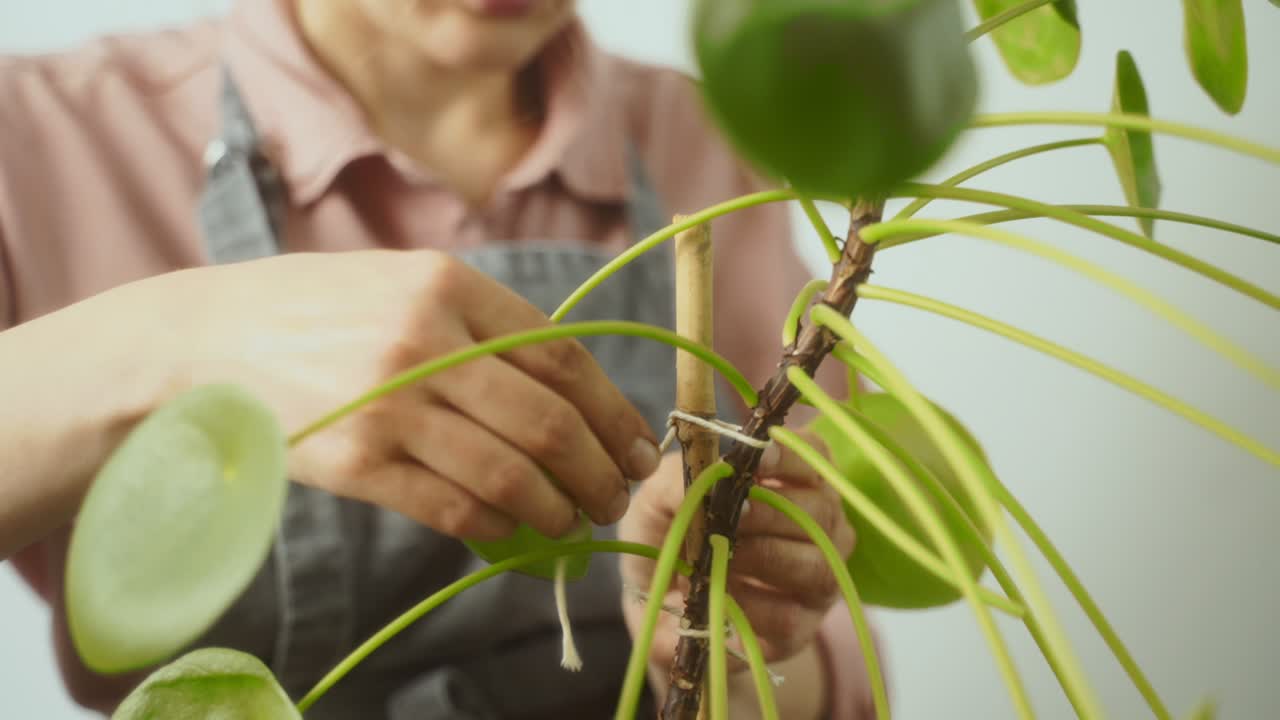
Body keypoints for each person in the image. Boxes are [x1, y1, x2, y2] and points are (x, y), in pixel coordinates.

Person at [0, 1, 879, 717]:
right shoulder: (42, 137)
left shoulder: (714, 145)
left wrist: (713, 648)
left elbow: (829, 667)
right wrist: (183, 342)